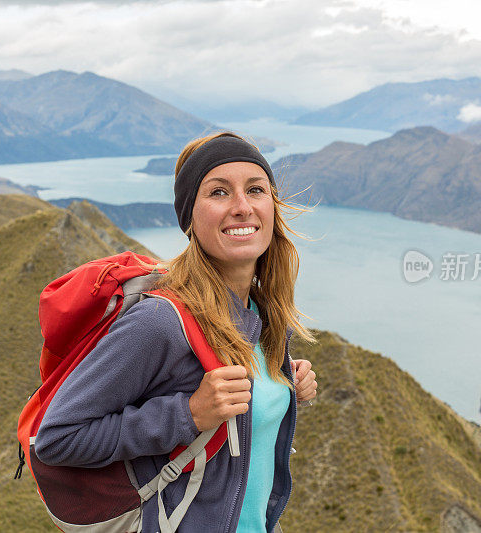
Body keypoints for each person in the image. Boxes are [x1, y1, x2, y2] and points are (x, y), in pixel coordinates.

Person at [34, 131, 317, 533]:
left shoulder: (263, 316)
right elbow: (58, 438)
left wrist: (285, 380)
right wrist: (187, 414)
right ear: (189, 217)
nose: (242, 207)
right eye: (218, 193)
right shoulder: (159, 323)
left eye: (255, 189)